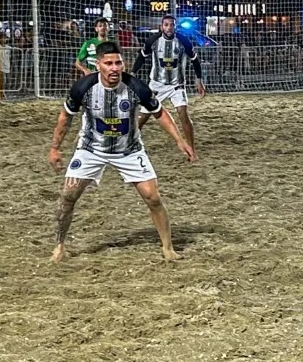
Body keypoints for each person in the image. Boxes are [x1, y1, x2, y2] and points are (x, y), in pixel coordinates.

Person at [48, 41, 196, 263]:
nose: (115, 68)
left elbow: (160, 113)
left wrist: (179, 141)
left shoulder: (137, 87)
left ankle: (168, 248)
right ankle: (59, 246)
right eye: (109, 63)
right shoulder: (83, 88)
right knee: (68, 196)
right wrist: (55, 148)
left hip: (129, 150)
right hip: (91, 149)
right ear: (98, 65)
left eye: (119, 62)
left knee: (153, 197)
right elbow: (65, 117)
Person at [136, 14, 205, 152]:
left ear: (175, 26)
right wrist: (132, 74)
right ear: (161, 27)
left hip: (177, 85)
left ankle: (191, 148)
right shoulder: (152, 41)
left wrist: (199, 81)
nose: (169, 27)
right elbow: (141, 57)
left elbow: (195, 60)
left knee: (183, 114)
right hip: (156, 84)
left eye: (171, 24)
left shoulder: (183, 41)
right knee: (143, 117)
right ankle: (128, 143)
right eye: (166, 25)